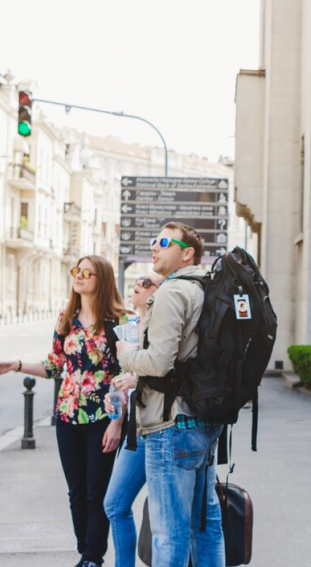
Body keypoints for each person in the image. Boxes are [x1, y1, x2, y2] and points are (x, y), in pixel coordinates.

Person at [0, 255, 130, 567]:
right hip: (67, 416)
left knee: (96, 493)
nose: (79, 276)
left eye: (87, 272)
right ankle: (85, 552)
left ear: (101, 279)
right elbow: (54, 366)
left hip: (102, 418)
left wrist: (117, 422)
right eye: (77, 270)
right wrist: (15, 365)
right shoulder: (66, 320)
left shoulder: (119, 322)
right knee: (76, 492)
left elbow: (124, 377)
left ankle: (93, 558)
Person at [116, 222, 224, 567]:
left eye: (163, 241)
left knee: (169, 533)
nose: (154, 247)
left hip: (170, 423)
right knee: (205, 524)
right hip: (205, 418)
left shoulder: (172, 293)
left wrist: (123, 352)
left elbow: (158, 362)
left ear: (187, 252)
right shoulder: (206, 289)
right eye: (153, 241)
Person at [103, 272, 164, 567]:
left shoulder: (161, 327)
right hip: (135, 428)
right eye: (138, 281)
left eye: (147, 281)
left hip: (160, 426)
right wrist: (115, 411)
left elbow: (163, 370)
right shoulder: (125, 330)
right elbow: (120, 379)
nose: (139, 284)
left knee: (165, 515)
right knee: (114, 505)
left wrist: (135, 379)